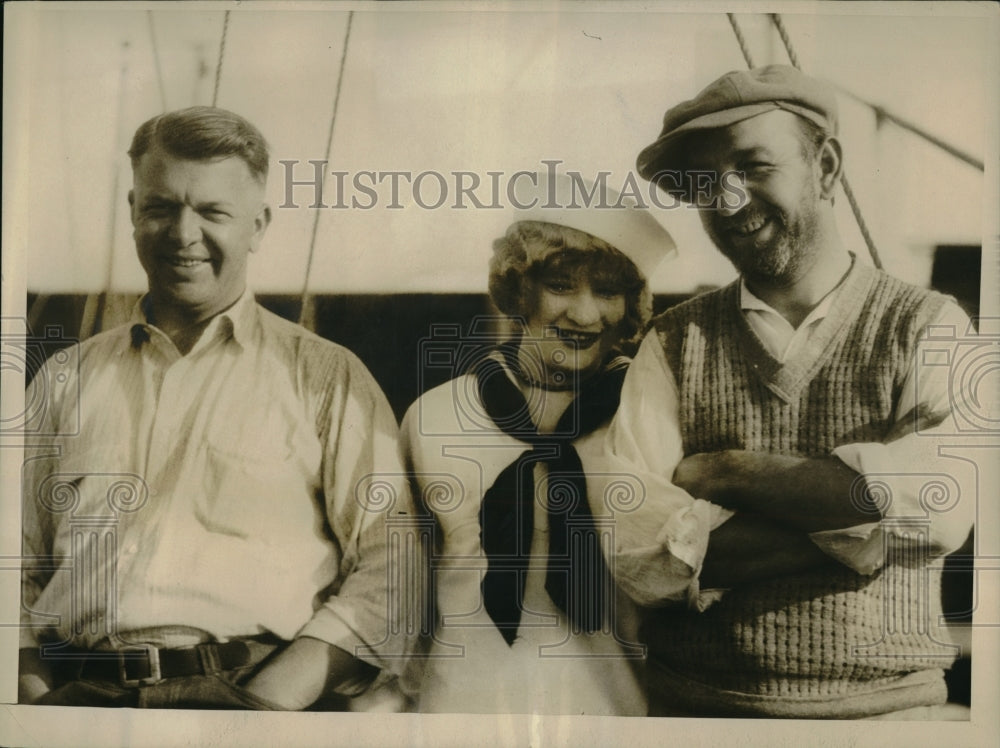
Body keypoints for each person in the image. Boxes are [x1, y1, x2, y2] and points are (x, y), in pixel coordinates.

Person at [590, 65, 976, 718]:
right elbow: (637, 556)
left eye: (754, 166)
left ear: (825, 167)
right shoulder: (672, 342)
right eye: (705, 182)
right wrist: (866, 521)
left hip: (889, 721)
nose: (729, 199)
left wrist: (727, 473)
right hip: (699, 718)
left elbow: (942, 507)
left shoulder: (928, 326)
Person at [19, 106, 418, 710]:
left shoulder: (327, 378)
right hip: (76, 702)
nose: (183, 234)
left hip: (250, 696)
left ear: (257, 225)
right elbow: (11, 562)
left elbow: (395, 572)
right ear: (132, 211)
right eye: (161, 207)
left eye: (212, 212)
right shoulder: (62, 381)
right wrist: (33, 699)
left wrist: (267, 705)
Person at [401, 174, 675, 715]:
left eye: (607, 291)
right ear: (519, 288)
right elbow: (404, 584)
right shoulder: (433, 416)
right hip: (461, 707)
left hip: (613, 710)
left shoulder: (648, 416)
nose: (584, 313)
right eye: (561, 285)